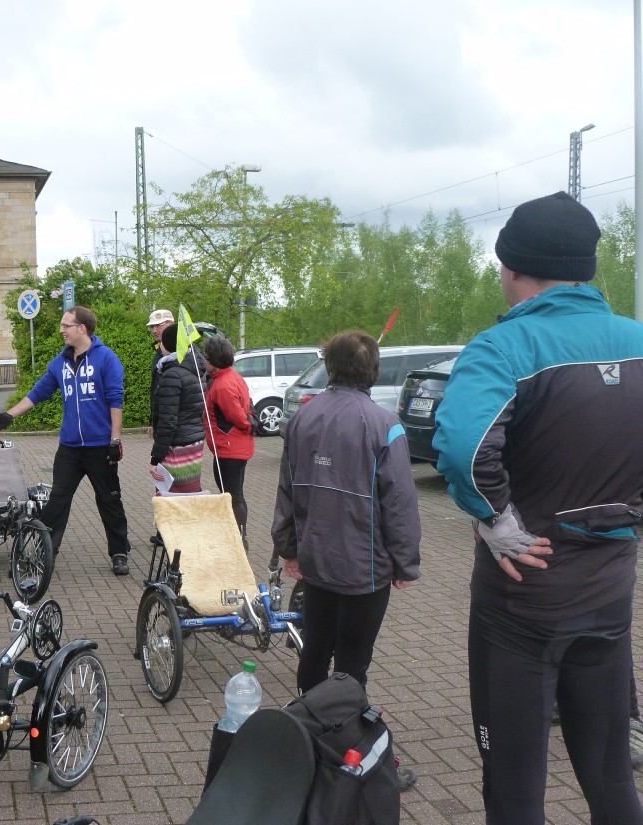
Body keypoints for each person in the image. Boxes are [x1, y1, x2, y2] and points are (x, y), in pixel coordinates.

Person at [433, 192, 643, 825]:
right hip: (610, 596)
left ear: (514, 268)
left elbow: (465, 449)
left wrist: (495, 517)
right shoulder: (637, 340)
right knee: (611, 779)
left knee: (515, 788)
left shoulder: (504, 346)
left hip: (522, 600)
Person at [270, 331, 421, 693]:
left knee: (315, 650)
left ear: (329, 366)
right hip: (363, 571)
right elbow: (399, 504)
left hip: (317, 562)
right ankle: (343, 735)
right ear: (373, 369)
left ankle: (311, 725)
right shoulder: (385, 425)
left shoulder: (302, 419)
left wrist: (289, 548)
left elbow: (285, 491)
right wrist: (405, 563)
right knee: (353, 660)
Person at [0, 306, 131, 575]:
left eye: (67, 325)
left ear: (82, 329)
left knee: (109, 500)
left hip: (100, 446)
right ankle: (45, 550)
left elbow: (115, 399)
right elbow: (38, 393)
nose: (61, 330)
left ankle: (119, 551)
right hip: (70, 447)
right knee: (57, 501)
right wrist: (9, 415)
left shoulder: (106, 359)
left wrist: (116, 438)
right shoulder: (61, 362)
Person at [202, 334, 254, 535]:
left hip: (230, 448)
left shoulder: (223, 385)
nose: (204, 361)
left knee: (233, 496)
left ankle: (239, 537)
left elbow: (238, 416)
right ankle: (237, 534)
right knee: (234, 495)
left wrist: (249, 426)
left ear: (214, 360)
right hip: (232, 447)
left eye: (206, 358)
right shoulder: (231, 376)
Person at [150, 322, 206, 494]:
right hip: (194, 445)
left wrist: (155, 459)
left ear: (167, 345)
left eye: (161, 343)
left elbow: (168, 421)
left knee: (171, 501)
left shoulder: (172, 374)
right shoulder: (196, 368)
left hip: (176, 450)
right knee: (190, 497)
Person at [146, 308, 174, 438]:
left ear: (171, 324)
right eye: (152, 327)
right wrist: (153, 421)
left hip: (173, 424)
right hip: (162, 421)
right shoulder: (159, 351)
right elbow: (156, 390)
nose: (154, 330)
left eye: (159, 325)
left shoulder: (183, 352)